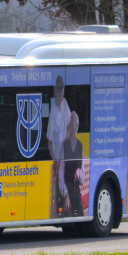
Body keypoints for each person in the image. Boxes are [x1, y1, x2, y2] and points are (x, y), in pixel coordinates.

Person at [46, 75, 71, 218]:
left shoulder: (65, 104)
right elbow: (49, 142)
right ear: (55, 91)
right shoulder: (53, 111)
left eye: (62, 90)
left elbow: (69, 125)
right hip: (57, 156)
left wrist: (67, 136)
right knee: (58, 182)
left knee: (66, 179)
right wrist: (55, 159)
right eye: (59, 90)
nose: (61, 93)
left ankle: (67, 208)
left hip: (65, 154)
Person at [62, 111, 86, 217]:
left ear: (77, 126)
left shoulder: (80, 146)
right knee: (67, 213)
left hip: (76, 193)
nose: (73, 127)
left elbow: (82, 180)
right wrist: (66, 194)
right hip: (67, 192)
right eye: (71, 125)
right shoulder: (65, 145)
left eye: (75, 124)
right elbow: (61, 174)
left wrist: (79, 171)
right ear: (69, 127)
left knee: (80, 215)